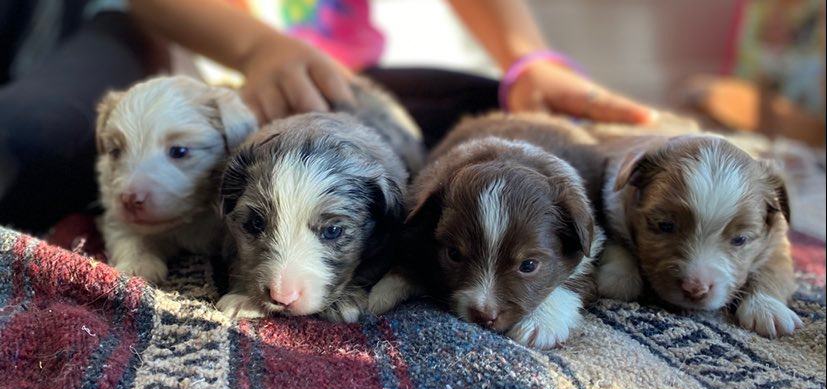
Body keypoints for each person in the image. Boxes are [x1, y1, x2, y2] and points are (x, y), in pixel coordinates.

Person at [0, 0, 654, 231]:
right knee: (32, 138)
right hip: (177, 61)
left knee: (501, 120)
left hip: (338, 80)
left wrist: (525, 59)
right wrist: (255, 46)